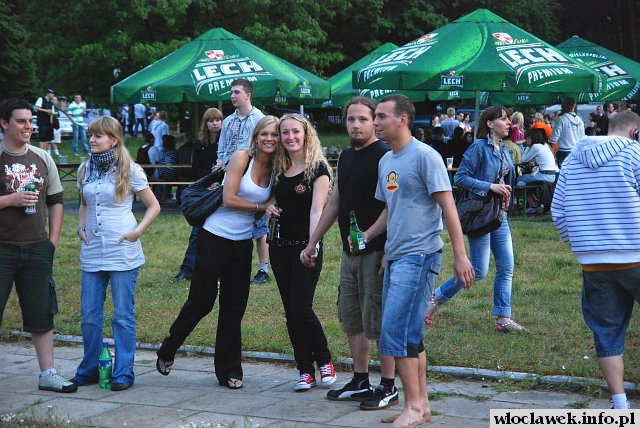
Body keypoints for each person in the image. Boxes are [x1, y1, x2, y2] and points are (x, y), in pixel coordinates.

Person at [373, 94, 474, 427]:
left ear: (402, 119)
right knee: (411, 333)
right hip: (397, 256)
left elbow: (448, 207)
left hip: (420, 256)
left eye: (381, 116)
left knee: (395, 331)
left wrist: (461, 256)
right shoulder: (386, 161)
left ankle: (413, 407)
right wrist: (377, 242)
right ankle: (423, 407)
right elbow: (391, 210)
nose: (375, 122)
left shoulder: (425, 156)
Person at [156, 116, 278, 390]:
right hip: (214, 237)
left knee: (234, 308)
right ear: (256, 136)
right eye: (264, 134)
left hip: (242, 243)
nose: (270, 139)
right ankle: (168, 347)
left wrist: (270, 204)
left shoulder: (277, 167)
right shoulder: (242, 157)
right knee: (201, 302)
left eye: (275, 134)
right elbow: (229, 198)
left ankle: (229, 370)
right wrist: (262, 207)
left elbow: (274, 201)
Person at [300, 97, 397, 409]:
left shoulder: (385, 155)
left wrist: (387, 247)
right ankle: (360, 380)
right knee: (353, 319)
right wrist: (313, 242)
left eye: (363, 119)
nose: (356, 125)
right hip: (350, 252)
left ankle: (388, 385)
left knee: (378, 321)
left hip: (376, 252)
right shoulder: (346, 156)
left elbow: (394, 206)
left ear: (374, 122)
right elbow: (335, 203)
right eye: (351, 119)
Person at [551, 110, 640, 410]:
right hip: (635, 254)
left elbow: (558, 212)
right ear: (635, 133)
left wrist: (583, 243)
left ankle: (620, 404)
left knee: (606, 331)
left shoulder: (572, 159)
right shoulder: (634, 153)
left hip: (593, 262)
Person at [70, 116, 160, 391]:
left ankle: (123, 372)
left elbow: (154, 206)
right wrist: (81, 227)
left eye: (98, 136)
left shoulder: (130, 169)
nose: (92, 140)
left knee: (122, 315)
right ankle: (89, 368)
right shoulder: (85, 168)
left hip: (122, 248)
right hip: (92, 249)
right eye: (91, 135)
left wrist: (137, 232)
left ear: (113, 139)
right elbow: (84, 204)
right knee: (89, 315)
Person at [427, 105, 528, 333]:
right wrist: (489, 186)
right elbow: (461, 178)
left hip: (499, 215)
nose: (509, 123)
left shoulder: (503, 149)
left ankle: (503, 317)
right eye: (503, 119)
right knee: (479, 270)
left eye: (508, 119)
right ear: (490, 124)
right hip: (481, 215)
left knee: (506, 267)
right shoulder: (478, 148)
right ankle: (435, 299)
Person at [0, 98, 77, 393]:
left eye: (30, 121)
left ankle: (48, 374)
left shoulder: (42, 157)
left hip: (37, 249)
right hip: (3, 248)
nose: (28, 127)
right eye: (21, 121)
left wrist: (52, 242)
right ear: (4, 123)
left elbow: (56, 200)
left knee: (42, 313)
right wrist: (11, 200)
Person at [266, 113, 336, 392]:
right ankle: (305, 370)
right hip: (279, 248)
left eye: (296, 131)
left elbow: (317, 211)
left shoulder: (318, 169)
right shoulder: (279, 167)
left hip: (306, 248)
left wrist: (312, 246)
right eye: (285, 132)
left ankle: (325, 361)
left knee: (301, 308)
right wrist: (270, 205)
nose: (290, 137)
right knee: (290, 311)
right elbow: (276, 196)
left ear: (306, 134)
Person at [215, 78, 270, 285]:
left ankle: (263, 269)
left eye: (237, 92)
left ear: (248, 94)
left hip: (251, 178)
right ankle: (229, 266)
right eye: (232, 92)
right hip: (228, 177)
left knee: (259, 227)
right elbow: (222, 149)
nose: (232, 96)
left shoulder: (259, 119)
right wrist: (220, 163)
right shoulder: (228, 121)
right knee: (229, 218)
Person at [173, 107, 223, 282]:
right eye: (211, 120)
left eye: (218, 120)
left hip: (224, 189)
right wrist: (210, 179)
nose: (215, 123)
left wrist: (219, 181)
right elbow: (195, 169)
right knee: (197, 231)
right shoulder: (199, 144)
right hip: (205, 190)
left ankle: (216, 271)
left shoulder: (226, 142)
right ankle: (187, 269)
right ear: (205, 123)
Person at [550, 97, 585, 168]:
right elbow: (582, 139)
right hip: (576, 152)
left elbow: (553, 139)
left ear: (565, 106)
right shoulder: (580, 120)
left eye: (562, 106)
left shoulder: (561, 119)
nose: (561, 108)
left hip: (563, 152)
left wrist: (549, 145)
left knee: (563, 172)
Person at [34, 89, 56, 153]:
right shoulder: (41, 99)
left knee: (47, 138)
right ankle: (41, 151)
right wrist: (46, 111)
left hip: (48, 123)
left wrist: (51, 122)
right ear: (48, 93)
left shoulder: (51, 103)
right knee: (42, 138)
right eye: (52, 93)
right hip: (42, 122)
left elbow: (52, 113)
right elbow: (36, 107)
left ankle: (44, 151)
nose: (53, 95)